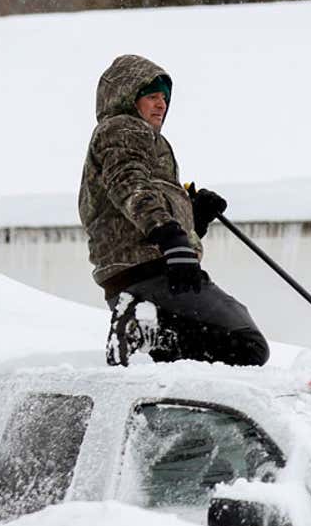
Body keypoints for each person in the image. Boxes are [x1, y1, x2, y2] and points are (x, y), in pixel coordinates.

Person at [78, 54, 270, 367]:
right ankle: (142, 330)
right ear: (128, 97)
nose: (161, 104)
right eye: (151, 96)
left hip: (147, 270)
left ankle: (146, 334)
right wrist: (169, 235)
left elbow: (137, 200)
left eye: (165, 98)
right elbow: (128, 185)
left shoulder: (144, 138)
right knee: (245, 343)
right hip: (150, 269)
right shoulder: (123, 129)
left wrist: (194, 218)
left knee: (191, 357)